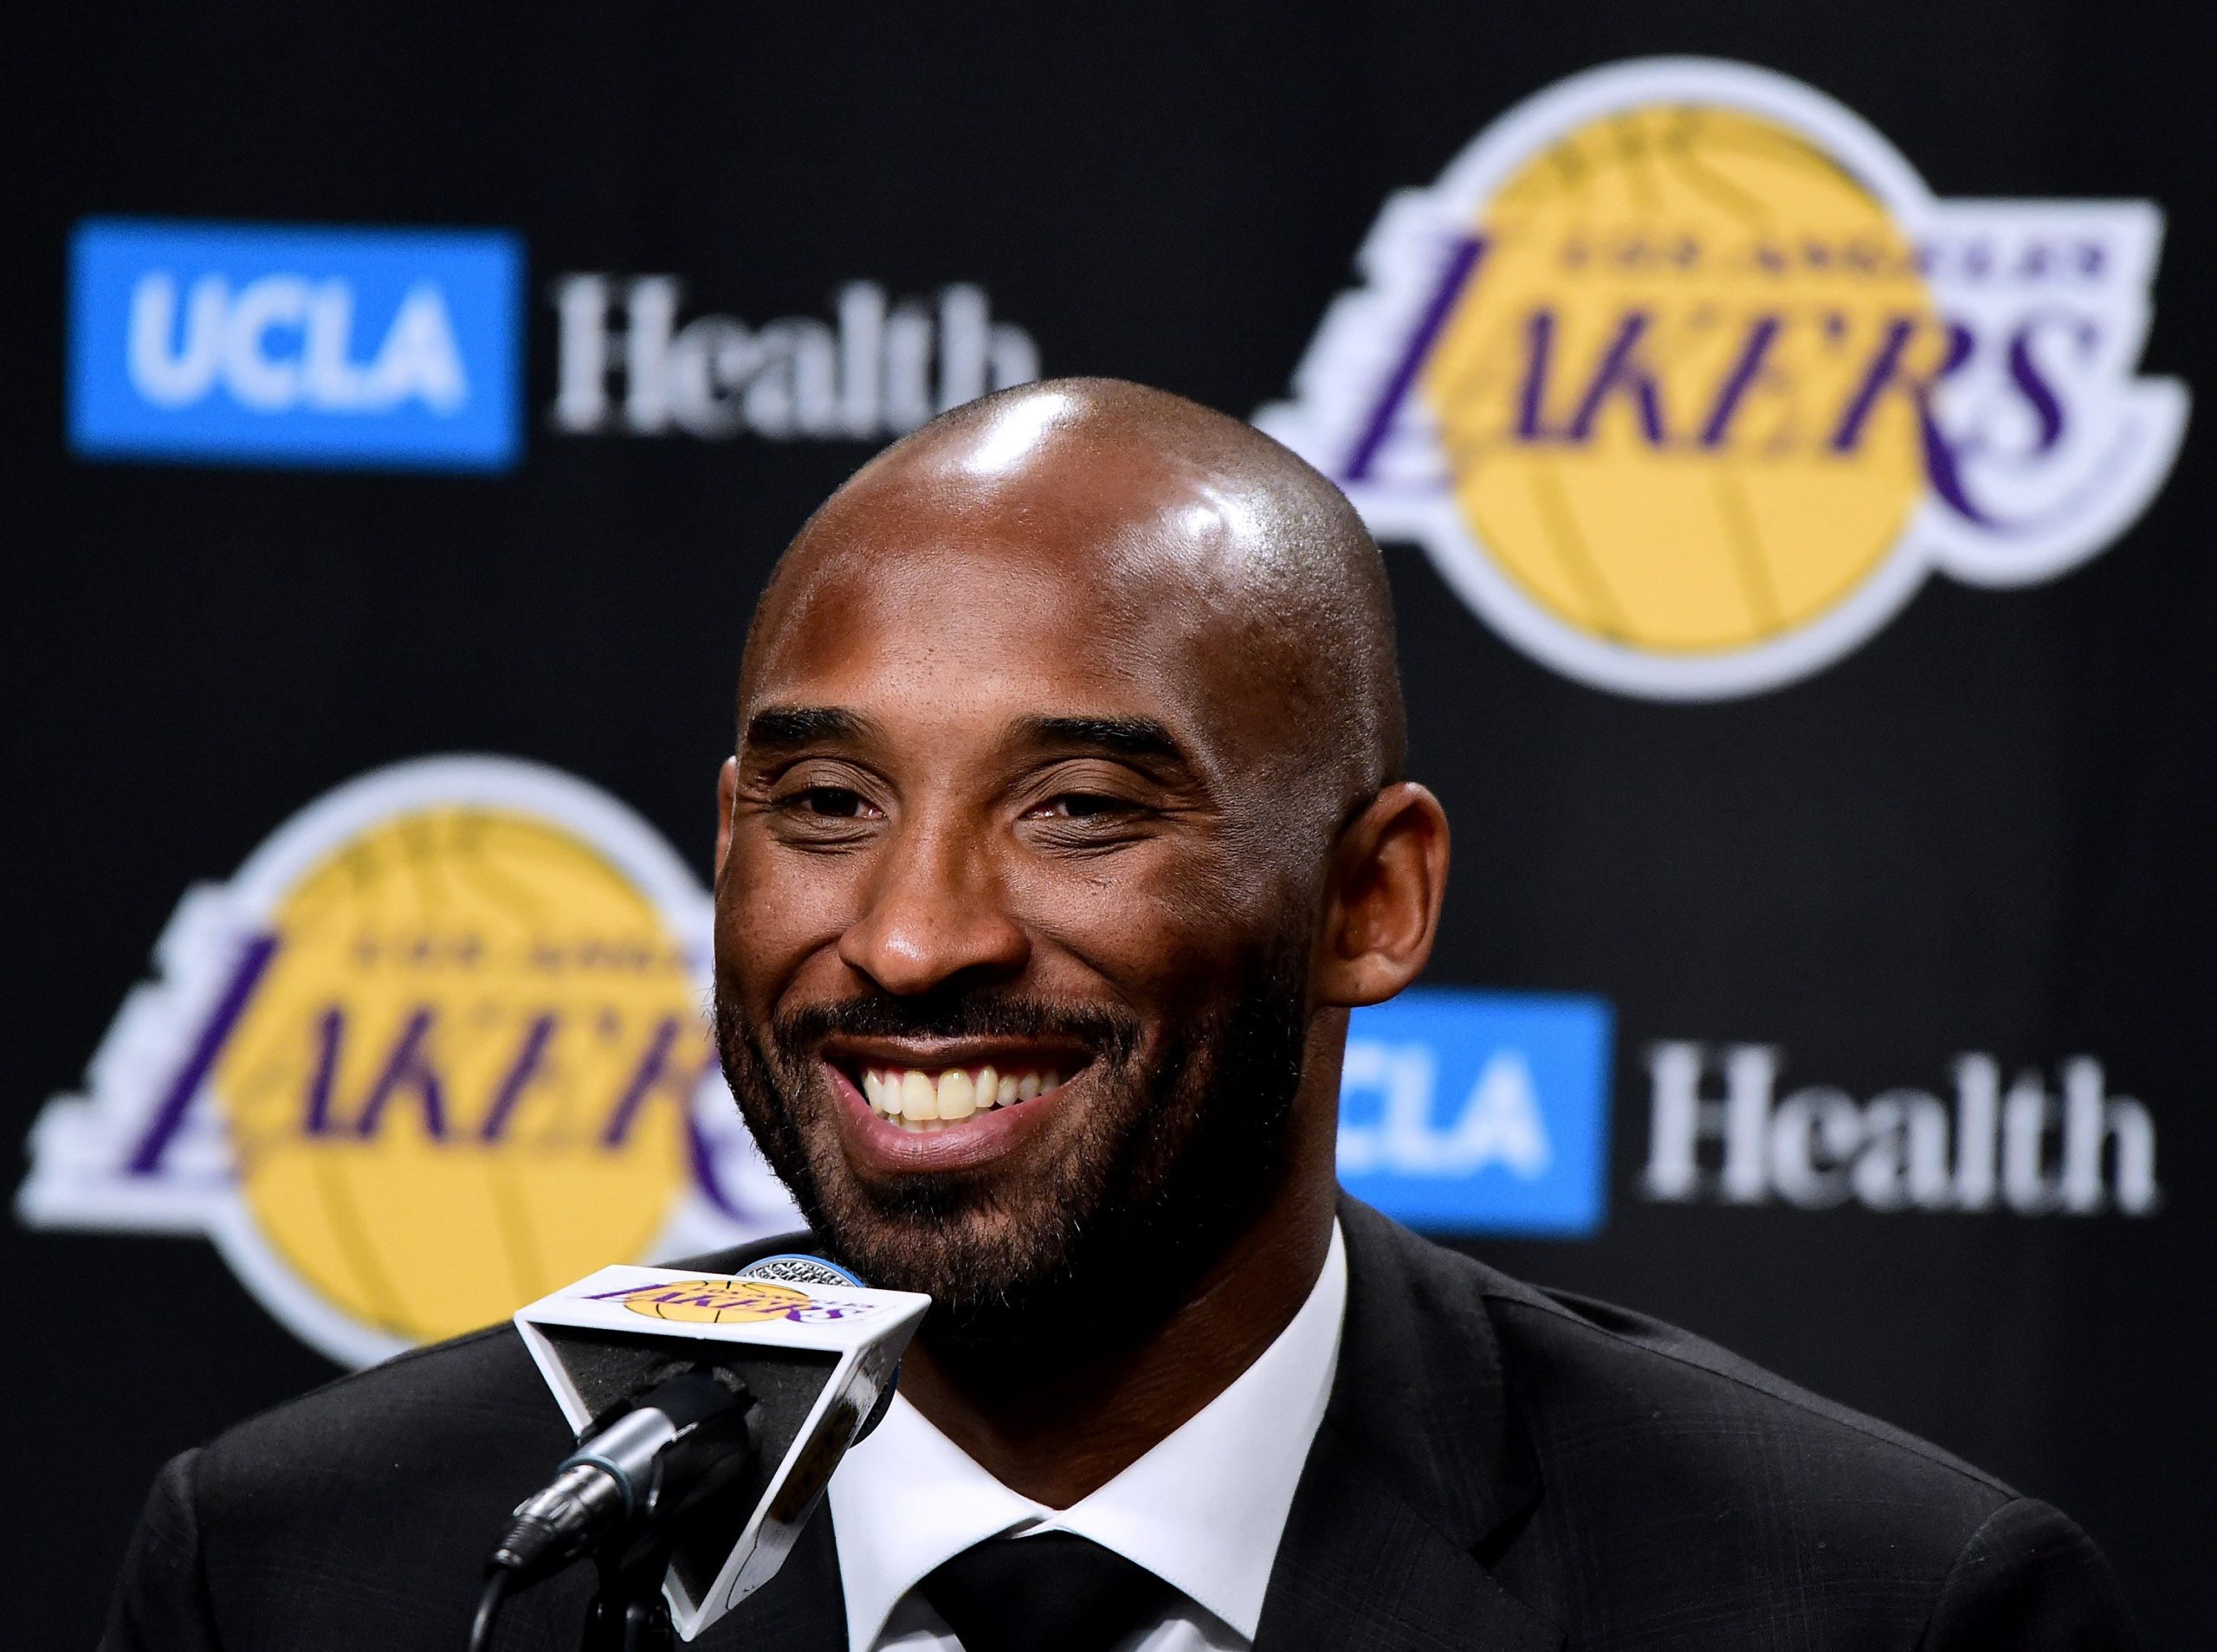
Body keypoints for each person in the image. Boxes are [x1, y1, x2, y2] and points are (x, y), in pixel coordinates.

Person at [104, 379, 2136, 1651]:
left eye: (1076, 810)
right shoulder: (321, 1573)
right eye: (826, 806)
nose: (908, 941)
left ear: (1371, 898)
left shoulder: (1865, 1608)